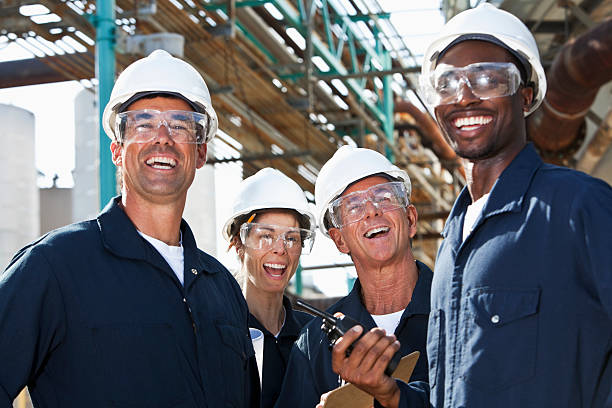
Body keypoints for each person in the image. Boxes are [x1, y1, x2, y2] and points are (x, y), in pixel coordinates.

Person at [328, 4, 612, 408]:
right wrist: (390, 392)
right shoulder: (453, 246)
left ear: (525, 96)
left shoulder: (576, 208)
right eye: (446, 84)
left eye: (487, 78)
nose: (464, 95)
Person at [0, 49, 259, 408]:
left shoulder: (222, 288)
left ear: (200, 153)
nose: (163, 137)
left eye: (181, 124)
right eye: (143, 123)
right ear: (117, 150)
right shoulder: (54, 268)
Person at [275, 145, 432, 408]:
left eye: (384, 197)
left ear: (410, 219)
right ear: (339, 240)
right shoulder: (315, 344)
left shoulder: (458, 313)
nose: (372, 211)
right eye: (354, 207)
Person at [222, 167, 316, 408]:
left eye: (292, 238)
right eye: (266, 235)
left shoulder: (313, 335)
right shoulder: (219, 335)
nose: (280, 249)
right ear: (238, 244)